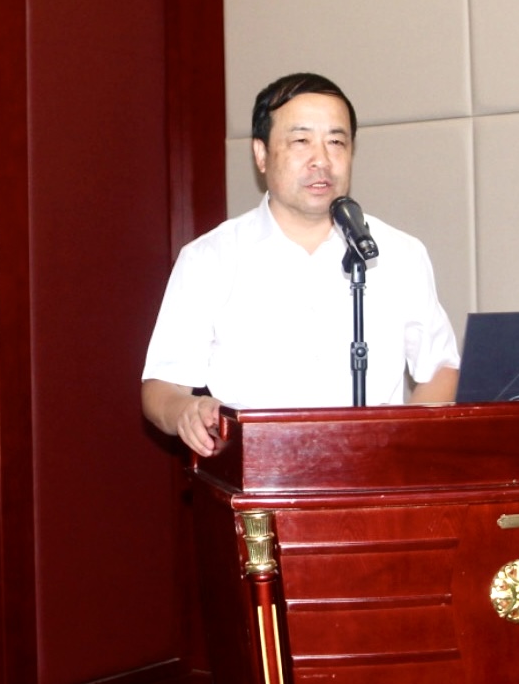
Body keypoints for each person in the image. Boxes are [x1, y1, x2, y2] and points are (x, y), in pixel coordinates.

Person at [142, 73, 459, 456]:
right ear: (261, 154)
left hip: (376, 474)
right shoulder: (210, 258)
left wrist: (401, 446)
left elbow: (440, 367)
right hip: (257, 473)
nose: (321, 160)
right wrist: (187, 411)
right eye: (301, 141)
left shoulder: (399, 253)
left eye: (336, 142)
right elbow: (161, 387)